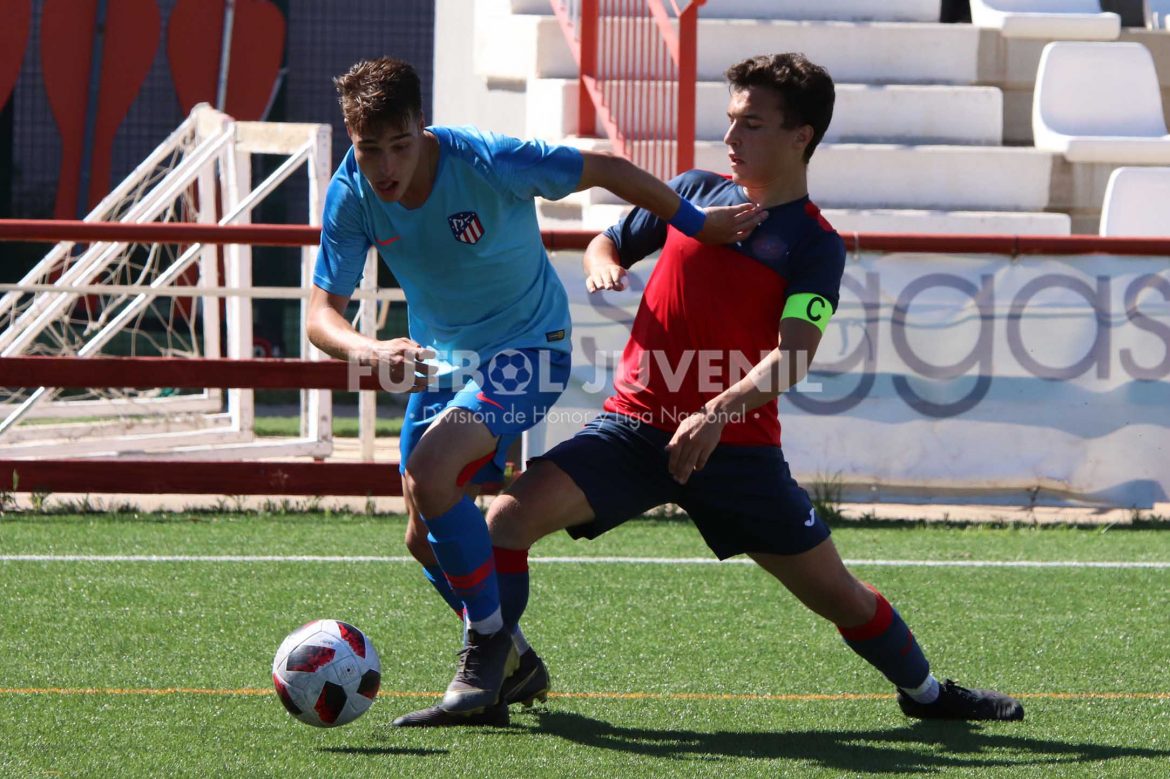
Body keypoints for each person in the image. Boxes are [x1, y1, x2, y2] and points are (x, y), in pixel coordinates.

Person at [395, 52, 1025, 727]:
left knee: (841, 595)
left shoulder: (815, 244)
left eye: (751, 124)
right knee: (504, 521)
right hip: (633, 429)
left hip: (738, 452)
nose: (731, 138)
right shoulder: (692, 191)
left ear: (800, 136)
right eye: (731, 121)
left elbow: (794, 356)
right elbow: (608, 242)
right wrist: (606, 267)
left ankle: (927, 693)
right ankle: (499, 673)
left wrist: (717, 411)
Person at [306, 57, 765, 728]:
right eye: (367, 147)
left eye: (398, 145)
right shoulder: (351, 194)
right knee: (422, 533)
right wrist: (372, 350)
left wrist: (698, 223)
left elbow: (606, 167)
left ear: (421, 127)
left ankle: (485, 642)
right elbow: (321, 314)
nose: (383, 166)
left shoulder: (488, 161)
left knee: (433, 472)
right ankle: (514, 660)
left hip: (532, 349)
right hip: (446, 363)